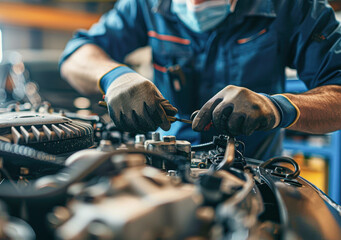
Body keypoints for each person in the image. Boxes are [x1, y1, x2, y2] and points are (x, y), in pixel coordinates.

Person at [59, 0, 341, 159]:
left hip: (255, 174)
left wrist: (278, 107)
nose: (193, 4)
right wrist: (114, 76)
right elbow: (75, 56)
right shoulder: (146, 5)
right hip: (164, 168)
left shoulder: (293, 7)